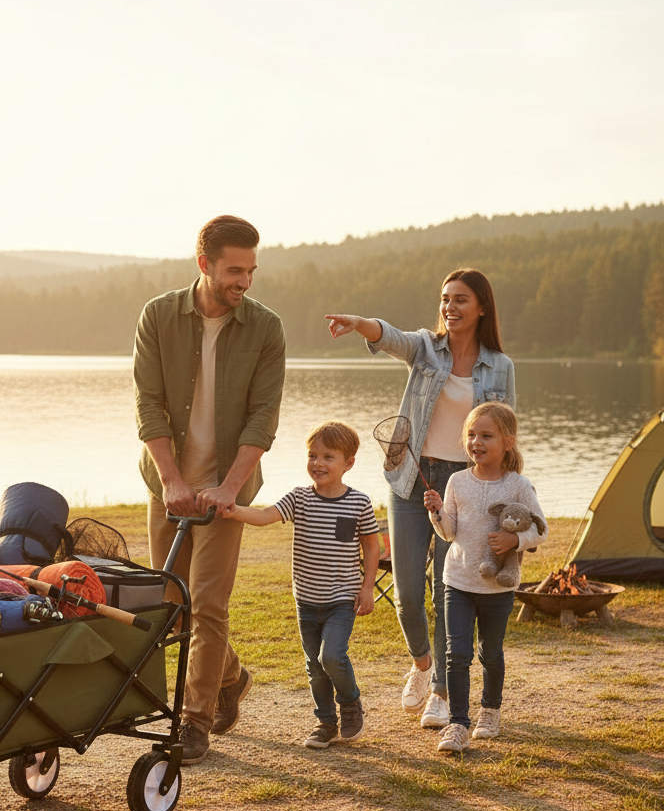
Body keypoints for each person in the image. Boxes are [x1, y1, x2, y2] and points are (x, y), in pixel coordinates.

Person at [324, 269, 514, 731]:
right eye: (445, 298)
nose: (450, 306)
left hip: (464, 487)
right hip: (412, 477)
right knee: (408, 594)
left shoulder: (500, 366)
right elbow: (391, 337)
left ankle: (442, 692)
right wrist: (360, 322)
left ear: (482, 308)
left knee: (450, 592)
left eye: (461, 299)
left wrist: (503, 494)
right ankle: (422, 663)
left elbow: (506, 432)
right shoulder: (427, 348)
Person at [133, 215, 286, 765]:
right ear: (205, 264)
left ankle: (194, 721)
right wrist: (172, 480)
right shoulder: (158, 316)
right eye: (234, 270)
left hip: (228, 490)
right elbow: (149, 403)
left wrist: (229, 487)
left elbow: (263, 416)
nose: (244, 281)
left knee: (209, 605)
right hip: (167, 485)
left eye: (251, 271)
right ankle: (232, 675)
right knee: (174, 606)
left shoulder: (265, 328)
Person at [222, 421, 379, 748]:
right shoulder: (300, 498)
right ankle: (325, 723)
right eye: (312, 455)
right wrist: (234, 510)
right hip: (306, 600)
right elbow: (265, 516)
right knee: (314, 666)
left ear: (348, 463)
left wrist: (367, 588)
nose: (318, 463)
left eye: (328, 457)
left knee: (331, 656)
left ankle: (350, 702)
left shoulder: (359, 503)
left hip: (341, 599)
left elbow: (371, 546)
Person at [423, 403, 547, 751]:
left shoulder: (519, 486)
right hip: (458, 582)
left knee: (490, 652)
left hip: (497, 588)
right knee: (456, 654)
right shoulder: (457, 481)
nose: (476, 442)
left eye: (486, 436)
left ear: (507, 443)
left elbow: (541, 530)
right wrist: (437, 513)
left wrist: (514, 541)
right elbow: (449, 533)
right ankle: (458, 724)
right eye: (471, 435)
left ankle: (490, 710)